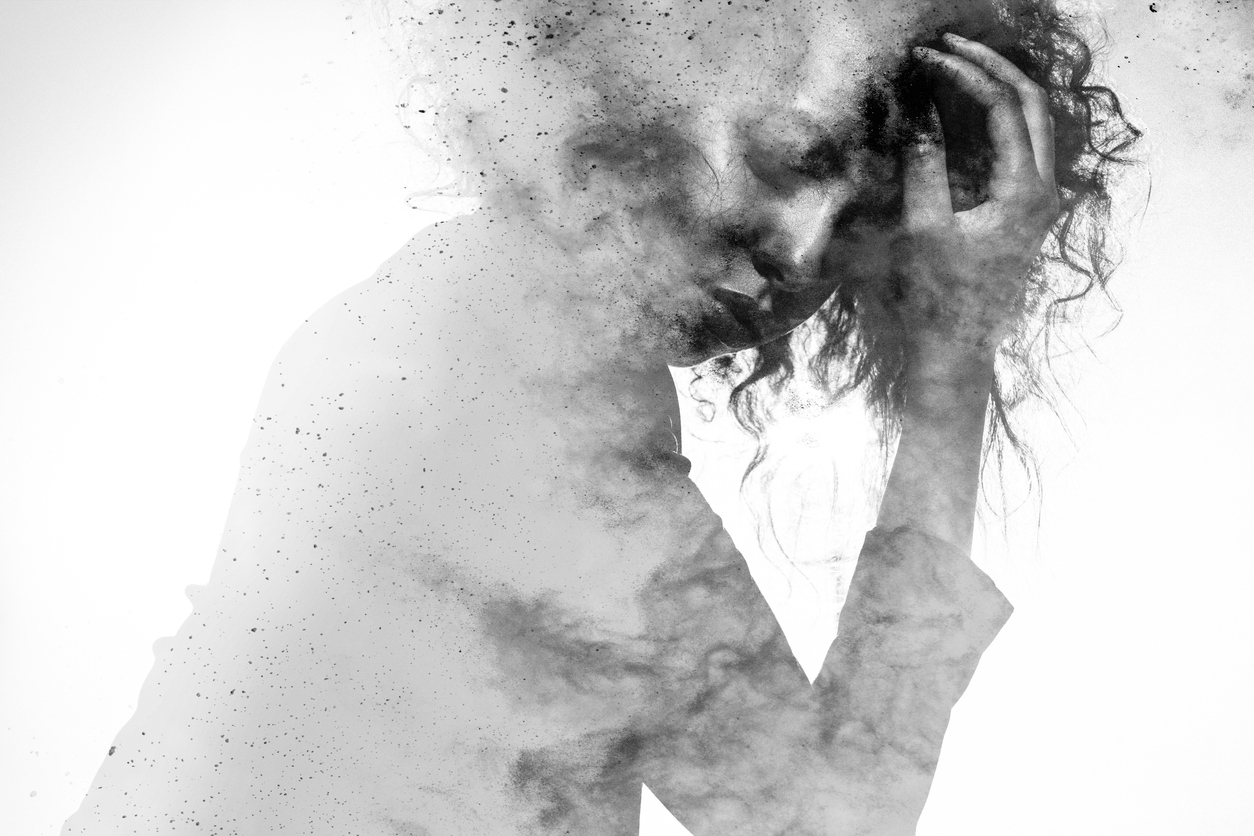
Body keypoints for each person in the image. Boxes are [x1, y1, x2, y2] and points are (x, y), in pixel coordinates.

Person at [64, 1, 1137, 834]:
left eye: (863, 222)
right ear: (645, 86)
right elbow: (825, 817)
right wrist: (950, 351)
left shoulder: (483, 306)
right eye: (790, 155)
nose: (802, 251)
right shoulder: (501, 360)